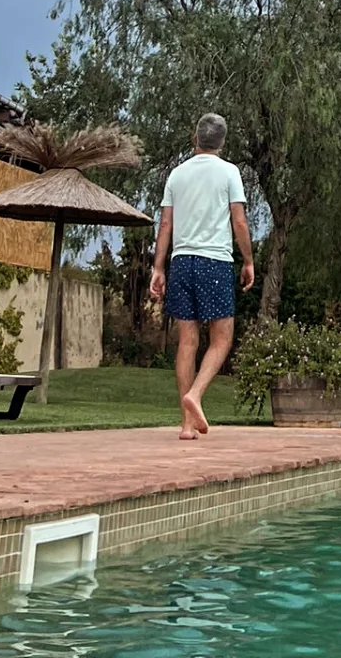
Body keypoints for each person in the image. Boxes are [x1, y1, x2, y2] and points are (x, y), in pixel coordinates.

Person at [150, 112, 254, 439]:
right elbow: (238, 221)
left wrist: (158, 266)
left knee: (187, 341)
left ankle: (185, 424)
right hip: (214, 262)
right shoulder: (229, 172)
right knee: (221, 339)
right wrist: (248, 260)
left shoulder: (177, 175)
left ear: (196, 138)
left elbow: (165, 224)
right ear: (222, 142)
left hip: (181, 262)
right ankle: (195, 395)